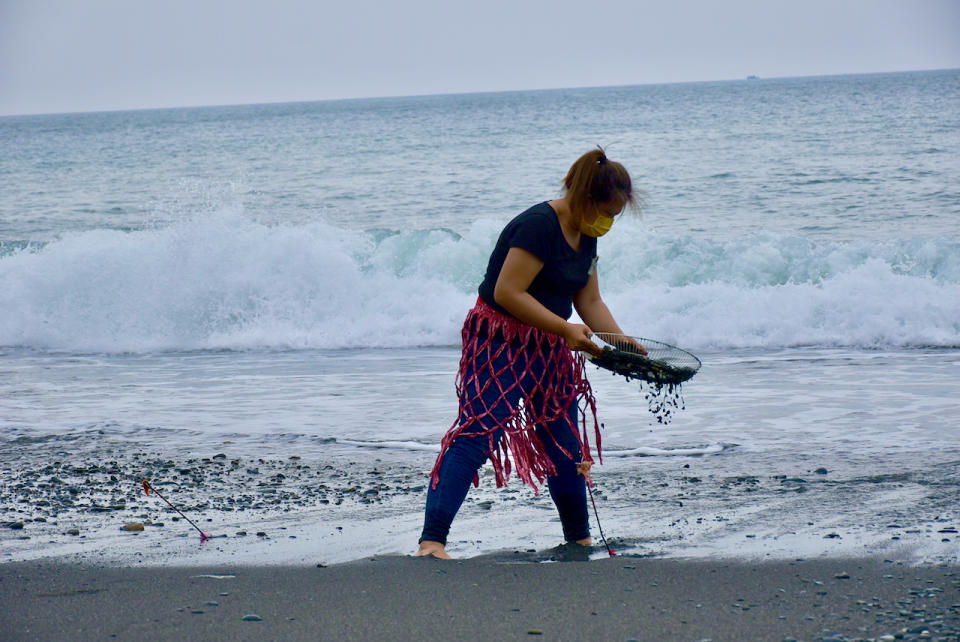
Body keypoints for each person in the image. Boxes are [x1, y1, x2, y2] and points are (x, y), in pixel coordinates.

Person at [415, 147, 641, 559]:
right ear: (584, 198)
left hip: (550, 348)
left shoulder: (587, 233)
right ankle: (432, 542)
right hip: (498, 342)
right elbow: (507, 292)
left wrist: (621, 342)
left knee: (565, 445)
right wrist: (564, 328)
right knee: (477, 434)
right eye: (607, 211)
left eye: (616, 215)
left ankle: (579, 539)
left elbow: (589, 301)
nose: (609, 222)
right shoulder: (539, 226)